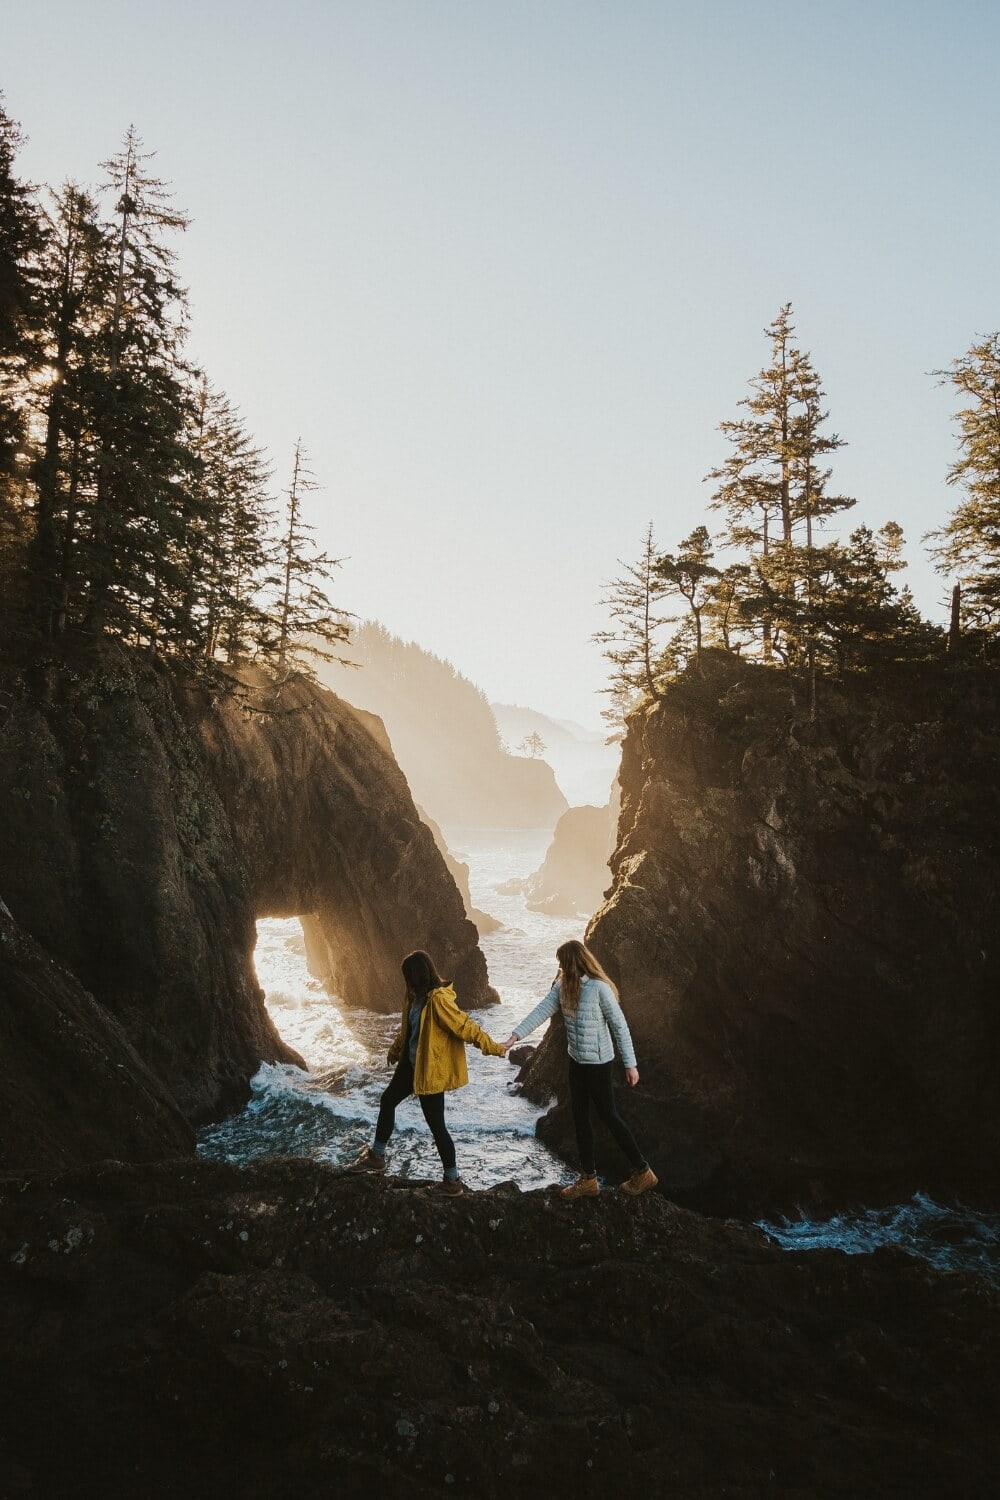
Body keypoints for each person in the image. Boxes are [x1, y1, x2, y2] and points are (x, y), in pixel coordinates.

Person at [503, 939, 657, 1200]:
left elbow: (620, 1026)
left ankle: (642, 1172)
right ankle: (588, 1179)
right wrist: (514, 1037)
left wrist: (630, 1064)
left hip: (598, 1063)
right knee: (580, 1117)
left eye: (562, 963)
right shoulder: (563, 987)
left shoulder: (599, 989)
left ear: (573, 963)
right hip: (576, 1061)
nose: (561, 968)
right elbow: (540, 1011)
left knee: (608, 1116)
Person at [348, 949, 506, 1195]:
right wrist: (396, 1049)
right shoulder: (414, 998)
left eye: (408, 976)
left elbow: (466, 1027)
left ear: (418, 975)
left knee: (437, 1126)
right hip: (409, 1067)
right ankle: (377, 1157)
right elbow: (408, 1029)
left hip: (428, 1071)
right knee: (387, 1101)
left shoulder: (438, 1000)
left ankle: (452, 1181)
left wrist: (494, 1047)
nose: (406, 981)